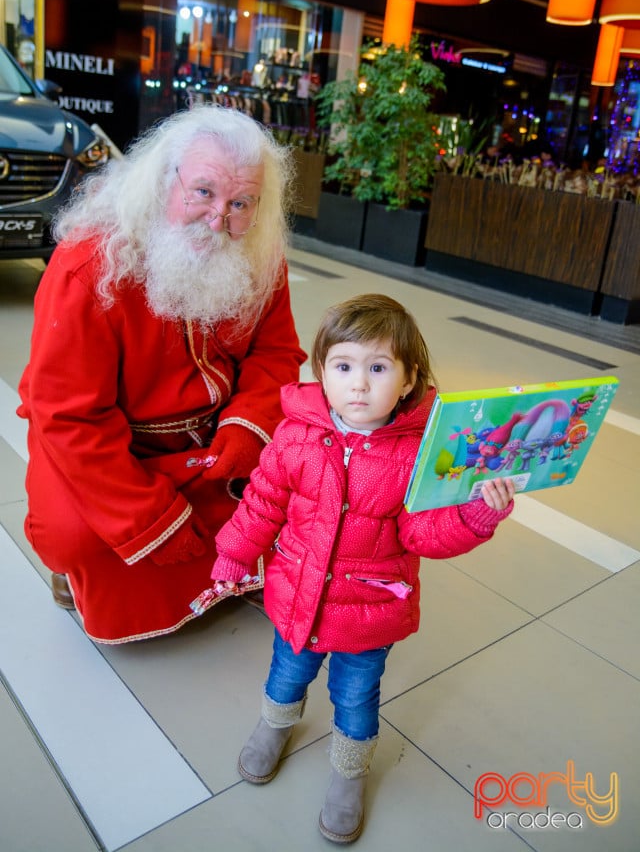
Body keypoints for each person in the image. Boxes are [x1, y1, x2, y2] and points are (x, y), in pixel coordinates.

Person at [208, 294, 515, 844]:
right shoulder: (295, 436)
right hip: (297, 598)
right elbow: (263, 501)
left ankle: (349, 773)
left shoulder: (421, 454)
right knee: (287, 673)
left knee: (356, 696)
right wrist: (234, 550)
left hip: (371, 611)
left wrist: (475, 514)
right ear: (320, 373)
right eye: (343, 366)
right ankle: (275, 726)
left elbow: (422, 533)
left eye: (378, 368)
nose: (359, 384)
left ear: (408, 379)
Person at [17, 105, 306, 644]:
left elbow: (277, 354)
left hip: (220, 440)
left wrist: (247, 427)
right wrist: (146, 517)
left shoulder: (263, 254)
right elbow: (68, 415)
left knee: (326, 462)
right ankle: (78, 574)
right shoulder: (89, 265)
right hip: (118, 454)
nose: (220, 218)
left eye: (241, 203)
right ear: (163, 179)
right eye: (203, 192)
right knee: (76, 533)